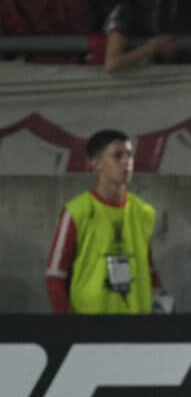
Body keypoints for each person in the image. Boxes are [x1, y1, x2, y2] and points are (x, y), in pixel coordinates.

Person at [45, 129, 167, 314]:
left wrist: (162, 305)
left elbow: (148, 268)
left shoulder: (144, 212)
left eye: (129, 155)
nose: (127, 162)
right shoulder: (77, 211)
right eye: (118, 156)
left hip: (138, 324)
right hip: (91, 326)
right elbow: (55, 277)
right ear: (96, 164)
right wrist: (67, 327)